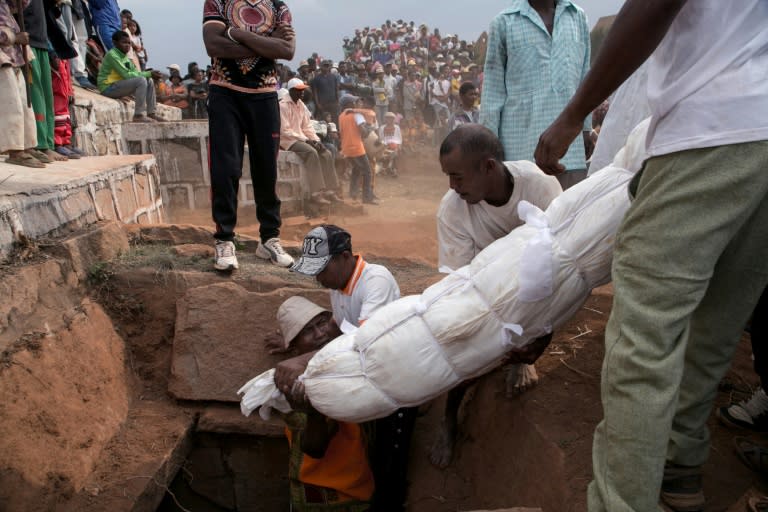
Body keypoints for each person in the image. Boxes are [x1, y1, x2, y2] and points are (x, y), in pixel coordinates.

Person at [532, 1, 768, 510]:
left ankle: (623, 501)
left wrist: (574, 115)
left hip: (713, 129)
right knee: (718, 319)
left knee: (645, 332)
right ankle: (679, 469)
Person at [430, 123, 561, 469]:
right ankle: (449, 418)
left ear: (488, 166)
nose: (452, 187)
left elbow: (560, 257)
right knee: (457, 340)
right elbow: (460, 281)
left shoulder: (539, 186)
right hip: (485, 288)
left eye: (457, 177)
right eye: (448, 177)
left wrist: (533, 334)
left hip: (536, 283)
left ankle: (523, 361)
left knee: (551, 286)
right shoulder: (452, 209)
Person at [277, 224, 416, 512]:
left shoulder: (375, 280)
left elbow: (364, 338)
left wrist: (303, 359)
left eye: (321, 269)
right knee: (374, 453)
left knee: (391, 458)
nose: (318, 278)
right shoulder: (338, 284)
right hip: (371, 378)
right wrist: (291, 339)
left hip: (397, 378)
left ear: (343, 257)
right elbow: (340, 325)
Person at [202, 0, 296, 272]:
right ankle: (224, 240)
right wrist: (266, 43)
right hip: (225, 93)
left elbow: (287, 50)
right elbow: (213, 46)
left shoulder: (278, 6)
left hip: (265, 95)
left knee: (266, 169)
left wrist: (236, 33)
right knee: (225, 168)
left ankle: (269, 239)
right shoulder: (217, 2)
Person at [271, 296, 375, 512]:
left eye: (322, 323)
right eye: (307, 331)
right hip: (326, 497)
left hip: (356, 487)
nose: (320, 334)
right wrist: (314, 414)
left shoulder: (340, 362)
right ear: (294, 348)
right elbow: (314, 448)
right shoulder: (295, 384)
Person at [480, 0, 591, 190]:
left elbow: (585, 77)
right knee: (526, 216)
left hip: (571, 151)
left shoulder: (577, 17)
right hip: (521, 152)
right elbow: (493, 90)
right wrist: (487, 148)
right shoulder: (504, 22)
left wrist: (586, 128)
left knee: (570, 214)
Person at [278, 77, 341, 206]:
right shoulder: (282, 106)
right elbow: (285, 130)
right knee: (311, 153)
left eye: (302, 90)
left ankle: (330, 190)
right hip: (288, 141)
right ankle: (316, 193)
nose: (302, 93)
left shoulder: (301, 105)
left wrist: (316, 140)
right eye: (299, 90)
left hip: (301, 138)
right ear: (291, 91)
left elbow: (307, 127)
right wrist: (307, 140)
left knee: (326, 152)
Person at [1, 0, 42, 168]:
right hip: (3, 56)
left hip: (14, 55)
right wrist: (14, 37)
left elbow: (22, 4)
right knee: (12, 105)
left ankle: (27, 145)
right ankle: (15, 151)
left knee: (25, 104)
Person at [98, 30, 162, 123]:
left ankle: (151, 113)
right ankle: (138, 115)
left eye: (129, 43)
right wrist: (148, 73)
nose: (127, 45)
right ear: (115, 43)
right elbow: (127, 75)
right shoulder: (112, 55)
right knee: (141, 80)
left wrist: (149, 74)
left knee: (149, 80)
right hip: (107, 88)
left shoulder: (125, 57)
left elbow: (135, 72)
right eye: (124, 42)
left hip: (117, 86)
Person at [338, 94, 377, 204]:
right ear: (349, 104)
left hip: (346, 147)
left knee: (357, 169)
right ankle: (366, 197)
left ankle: (353, 193)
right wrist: (370, 129)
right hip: (357, 147)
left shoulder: (341, 115)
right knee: (368, 172)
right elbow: (363, 132)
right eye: (355, 102)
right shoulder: (357, 115)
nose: (358, 104)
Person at [310, 59, 339, 125]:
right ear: (321, 66)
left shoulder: (333, 77)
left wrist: (337, 101)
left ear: (329, 67)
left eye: (327, 65)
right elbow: (315, 93)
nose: (326, 67)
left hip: (333, 103)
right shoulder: (316, 79)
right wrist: (318, 104)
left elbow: (336, 89)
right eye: (324, 65)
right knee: (324, 122)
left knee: (334, 121)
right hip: (323, 105)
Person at [377, 112, 401, 177]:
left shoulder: (397, 127)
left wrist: (399, 146)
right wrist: (383, 146)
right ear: (385, 119)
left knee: (394, 153)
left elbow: (399, 139)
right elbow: (380, 138)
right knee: (385, 155)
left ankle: (393, 170)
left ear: (393, 119)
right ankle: (387, 169)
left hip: (394, 145)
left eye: (391, 118)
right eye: (388, 118)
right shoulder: (382, 127)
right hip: (384, 146)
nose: (389, 120)